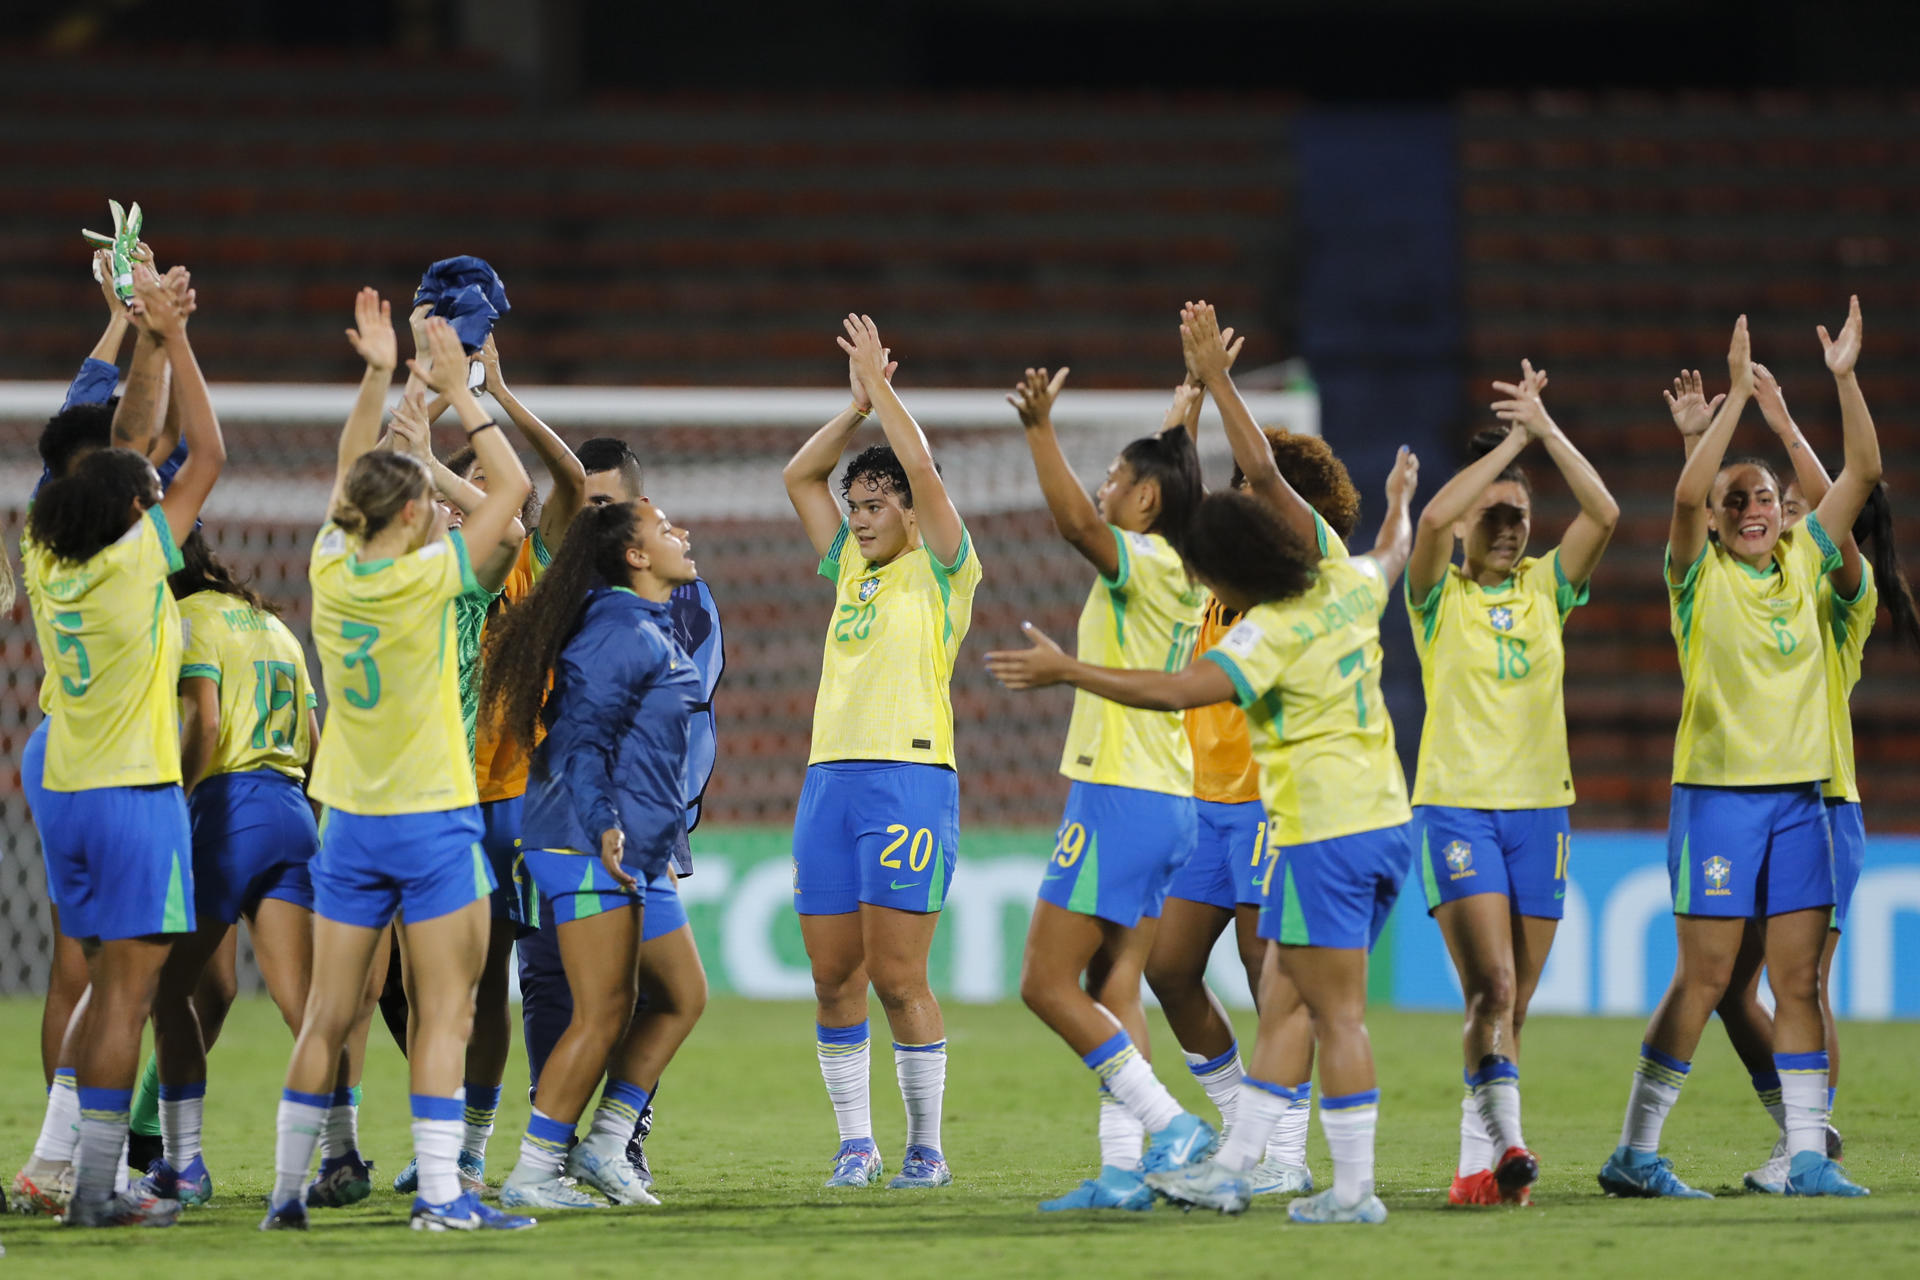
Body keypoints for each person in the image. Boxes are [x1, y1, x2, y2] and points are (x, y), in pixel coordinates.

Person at [989, 435, 1422, 1225]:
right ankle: (1234, 1164)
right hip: (1385, 822)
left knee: (1334, 1013)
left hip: (1322, 830)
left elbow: (1177, 689)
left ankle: (1352, 1191)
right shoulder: (1350, 584)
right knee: (1286, 1000)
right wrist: (1399, 499)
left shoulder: (1272, 634)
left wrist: (1071, 671)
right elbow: (1395, 548)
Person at [260, 294, 534, 1232]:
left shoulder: (330, 570)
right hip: (431, 818)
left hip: (346, 819)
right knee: (445, 1014)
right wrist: (463, 394)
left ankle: (288, 1196)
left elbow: (350, 480)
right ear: (418, 511)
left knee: (328, 1016)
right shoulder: (433, 579)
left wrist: (382, 380)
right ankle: (445, 1198)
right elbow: (511, 496)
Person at [1595, 306, 1879, 1201]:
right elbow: (1683, 496)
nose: (1755, 509)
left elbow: (1864, 471)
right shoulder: (1695, 577)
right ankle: (1637, 1151)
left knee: (1797, 981)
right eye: (1738, 502)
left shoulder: (1807, 564)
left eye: (1764, 499)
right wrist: (1719, 416)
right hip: (1718, 795)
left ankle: (1805, 1157)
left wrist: (1839, 378)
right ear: (1716, 526)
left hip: (1804, 798)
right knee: (1710, 977)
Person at [1664, 364, 1920, 1192]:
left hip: (1823, 796)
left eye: (1796, 509)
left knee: (1800, 981)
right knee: (1736, 989)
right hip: (1771, 793)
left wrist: (1782, 423)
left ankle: (1810, 1138)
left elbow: (1840, 494)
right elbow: (1716, 519)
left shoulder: (1841, 587)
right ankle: (1802, 1129)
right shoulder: (1765, 575)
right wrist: (1705, 443)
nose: (1785, 517)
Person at [18, 262, 225, 1228]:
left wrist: (126, 329)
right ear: (131, 509)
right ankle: (96, 1188)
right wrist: (169, 334)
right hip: (136, 790)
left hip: (64, 776)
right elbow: (197, 452)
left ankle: (59, 1167)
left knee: (87, 976)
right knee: (127, 996)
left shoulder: (41, 546)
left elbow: (94, 431)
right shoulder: (141, 563)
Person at [1144, 316, 1365, 1198]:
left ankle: (1282, 1152)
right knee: (1168, 969)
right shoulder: (1223, 579)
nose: (1236, 496)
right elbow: (1173, 514)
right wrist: (1184, 416)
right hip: (1204, 805)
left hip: (1276, 802)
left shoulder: (1315, 572)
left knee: (1267, 974)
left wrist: (1224, 392)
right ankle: (1244, 1123)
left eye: (1250, 490)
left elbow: (1268, 475)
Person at [1003, 353, 1216, 1214]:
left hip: (1121, 791)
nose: (1104, 486)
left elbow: (1076, 531)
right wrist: (1182, 421)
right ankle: (1125, 1174)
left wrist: (1038, 429)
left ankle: (1173, 1128)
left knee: (1044, 984)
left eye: (1118, 477)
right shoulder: (1185, 563)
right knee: (1114, 985)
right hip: (1167, 796)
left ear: (1147, 502)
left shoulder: (1148, 563)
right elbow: (1160, 495)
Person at [1403, 362, 1617, 1206]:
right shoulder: (1435, 596)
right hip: (1456, 806)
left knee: (1513, 1006)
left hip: (1542, 812)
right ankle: (1514, 1145)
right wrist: (1511, 448)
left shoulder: (1546, 589)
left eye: (1520, 516)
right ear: (1465, 525)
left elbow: (1602, 512)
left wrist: (1544, 433)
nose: (1507, 527)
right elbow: (1429, 519)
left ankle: (1476, 1171)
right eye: (1492, 513)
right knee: (1489, 985)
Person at [379, 329, 586, 1198]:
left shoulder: (523, 564)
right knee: (394, 983)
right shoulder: (413, 574)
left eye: (470, 497)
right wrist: (413, 423)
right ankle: (439, 1128)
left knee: (494, 974)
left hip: (506, 796)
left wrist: (490, 394)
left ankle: (470, 1143)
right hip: (419, 793)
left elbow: (562, 488)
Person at [780, 316, 979, 1190]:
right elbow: (800, 474)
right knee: (833, 977)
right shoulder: (849, 568)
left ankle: (927, 1148)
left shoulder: (944, 568)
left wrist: (885, 398)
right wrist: (852, 405)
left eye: (875, 506)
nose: (858, 519)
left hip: (908, 777)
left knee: (900, 977)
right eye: (854, 506)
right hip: (829, 780)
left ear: (908, 511)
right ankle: (855, 1143)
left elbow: (926, 470)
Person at [137, 531, 381, 1210]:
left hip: (227, 809)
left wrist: (176, 799)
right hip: (292, 809)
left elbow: (206, 725)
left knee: (168, 992)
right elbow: (313, 738)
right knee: (306, 1003)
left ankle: (181, 1163)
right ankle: (341, 1151)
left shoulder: (184, 619)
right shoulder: (274, 626)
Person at [482, 499, 706, 1209]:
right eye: (666, 530)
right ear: (635, 557)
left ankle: (607, 1144)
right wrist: (606, 822)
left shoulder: (645, 623)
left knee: (679, 995)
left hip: (630, 847)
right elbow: (581, 737)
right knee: (603, 1011)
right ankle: (534, 1171)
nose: (683, 534)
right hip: (585, 841)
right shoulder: (615, 627)